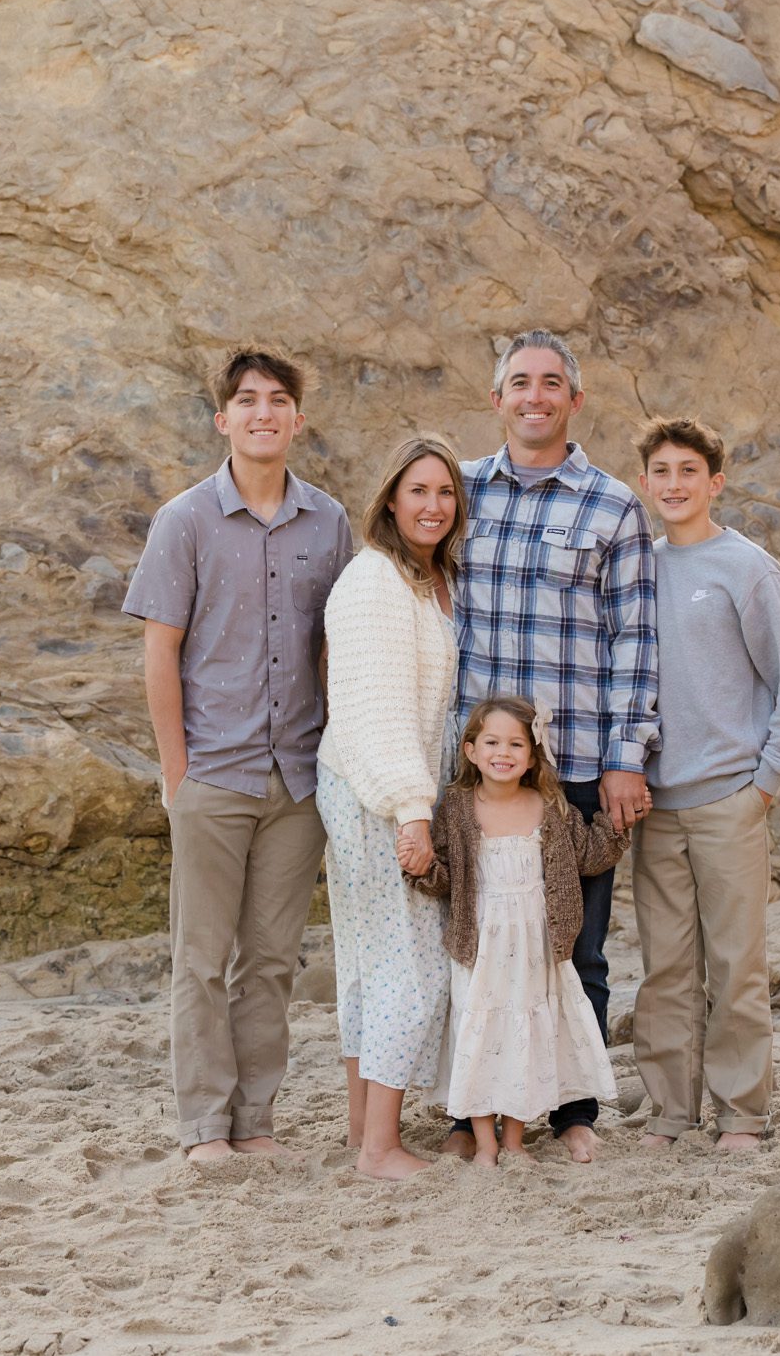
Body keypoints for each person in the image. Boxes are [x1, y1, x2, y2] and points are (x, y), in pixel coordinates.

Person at [122, 344, 352, 1162]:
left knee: (270, 962)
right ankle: (201, 1127)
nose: (264, 411)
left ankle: (255, 1122)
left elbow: (336, 646)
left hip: (296, 779)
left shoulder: (329, 521)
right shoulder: (183, 521)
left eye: (278, 399)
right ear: (224, 419)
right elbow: (160, 652)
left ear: (297, 417)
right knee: (201, 958)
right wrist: (175, 772)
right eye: (247, 400)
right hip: (213, 776)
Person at [449, 328, 660, 1163]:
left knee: (574, 947)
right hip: (478, 773)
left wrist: (625, 758)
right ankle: (472, 1114)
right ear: (496, 398)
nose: (534, 396)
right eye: (518, 383)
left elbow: (635, 642)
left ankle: (574, 1113)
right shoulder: (460, 493)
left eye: (550, 383)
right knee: (473, 946)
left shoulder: (612, 506)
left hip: (571, 770)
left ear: (575, 400)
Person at [630, 417, 780, 1153]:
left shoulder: (747, 568)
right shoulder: (639, 567)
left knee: (737, 965)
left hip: (729, 802)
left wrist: (765, 785)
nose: (673, 484)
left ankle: (741, 1113)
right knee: (666, 970)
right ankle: (672, 1113)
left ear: (715, 482)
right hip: (654, 807)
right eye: (660, 471)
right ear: (644, 482)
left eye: (688, 471)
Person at [313, 435, 467, 1180]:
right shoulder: (375, 579)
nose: (432, 505)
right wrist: (412, 810)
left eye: (445, 493)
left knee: (374, 961)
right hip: (375, 790)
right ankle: (380, 1146)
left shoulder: (434, 579)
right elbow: (372, 707)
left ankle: (361, 1132)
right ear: (391, 501)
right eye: (418, 491)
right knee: (408, 965)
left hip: (394, 787)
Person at [405, 697, 624, 1166]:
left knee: (525, 1032)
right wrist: (420, 868)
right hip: (480, 945)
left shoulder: (548, 805)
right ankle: (484, 1143)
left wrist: (619, 823)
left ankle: (513, 1140)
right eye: (492, 742)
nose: (503, 752)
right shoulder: (458, 807)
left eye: (516, 744)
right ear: (470, 750)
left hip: (534, 947)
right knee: (481, 1033)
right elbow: (444, 875)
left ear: (532, 754)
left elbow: (587, 857)